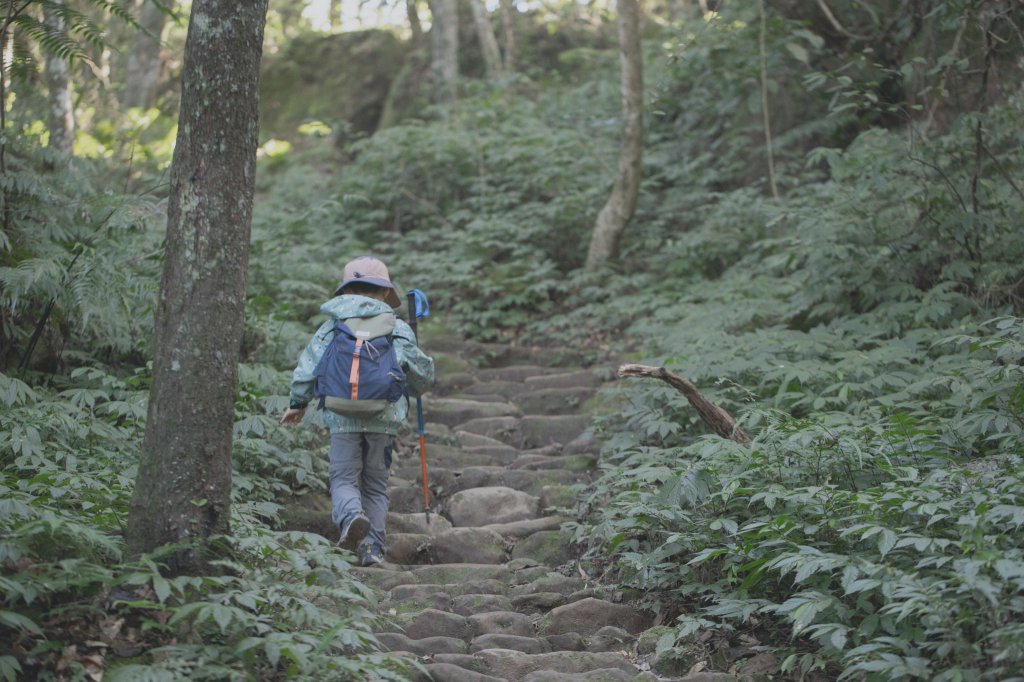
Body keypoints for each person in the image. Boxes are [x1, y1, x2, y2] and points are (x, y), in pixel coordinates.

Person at [281, 256, 434, 567]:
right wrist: (415, 388)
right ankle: (372, 549)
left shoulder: (332, 327)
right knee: (376, 486)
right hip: (384, 417)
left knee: (343, 479)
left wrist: (298, 404)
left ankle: (351, 515)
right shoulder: (397, 327)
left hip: (342, 416)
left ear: (348, 290)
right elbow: (422, 374)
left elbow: (308, 368)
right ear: (383, 293)